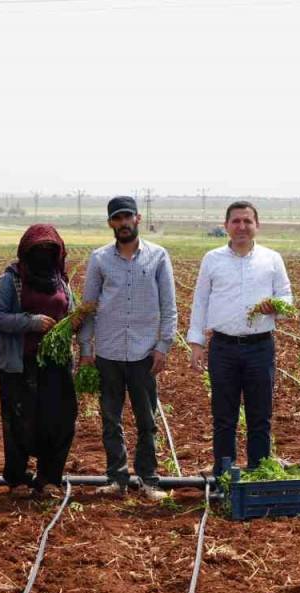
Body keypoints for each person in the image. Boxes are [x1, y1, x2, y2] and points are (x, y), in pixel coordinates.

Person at [78, 196, 177, 500]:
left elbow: (169, 307)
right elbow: (89, 307)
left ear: (137, 218)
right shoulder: (99, 259)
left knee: (146, 420)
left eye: (127, 217)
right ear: (110, 223)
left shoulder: (158, 256)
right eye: (116, 219)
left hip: (143, 353)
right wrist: (85, 347)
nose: (122, 223)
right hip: (108, 351)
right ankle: (117, 478)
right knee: (110, 417)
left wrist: (163, 346)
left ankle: (149, 480)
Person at [188, 201, 292, 482]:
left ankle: (258, 473)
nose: (242, 226)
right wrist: (196, 343)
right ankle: (224, 474)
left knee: (260, 416)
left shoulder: (271, 259)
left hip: (260, 346)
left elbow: (286, 296)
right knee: (224, 416)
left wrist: (277, 306)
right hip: (222, 348)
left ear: (257, 226)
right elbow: (200, 301)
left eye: (247, 221)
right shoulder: (212, 259)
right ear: (226, 226)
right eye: (236, 221)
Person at [0, 224, 80, 496]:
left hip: (56, 363)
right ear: (25, 252)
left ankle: (49, 478)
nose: (43, 254)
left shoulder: (61, 280)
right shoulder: (12, 279)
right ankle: (17, 478)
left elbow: (72, 312)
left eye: (49, 249)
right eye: (37, 249)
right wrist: (30, 322)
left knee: (59, 419)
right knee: (19, 419)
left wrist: (70, 325)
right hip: (20, 363)